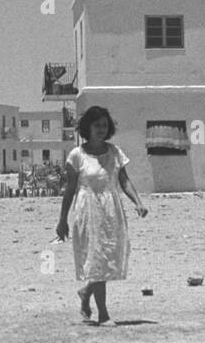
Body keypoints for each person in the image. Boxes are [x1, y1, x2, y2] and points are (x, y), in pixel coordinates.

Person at [55, 105, 148, 324]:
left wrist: (138, 202)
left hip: (110, 209)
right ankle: (103, 314)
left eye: (105, 125)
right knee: (96, 259)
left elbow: (123, 180)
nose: (101, 130)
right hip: (87, 210)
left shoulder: (114, 152)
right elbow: (69, 190)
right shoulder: (77, 155)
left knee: (106, 258)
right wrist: (62, 220)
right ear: (87, 127)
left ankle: (86, 292)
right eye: (97, 125)